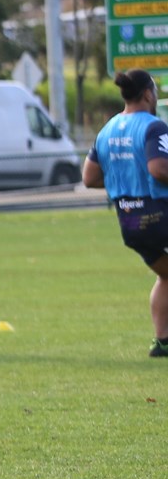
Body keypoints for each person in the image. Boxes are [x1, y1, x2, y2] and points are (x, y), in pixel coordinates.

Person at [82, 69, 168, 357]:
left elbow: (89, 178)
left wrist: (126, 180)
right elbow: (159, 169)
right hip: (159, 214)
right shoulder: (154, 127)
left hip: (129, 221)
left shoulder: (107, 130)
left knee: (166, 275)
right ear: (147, 94)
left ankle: (162, 342)